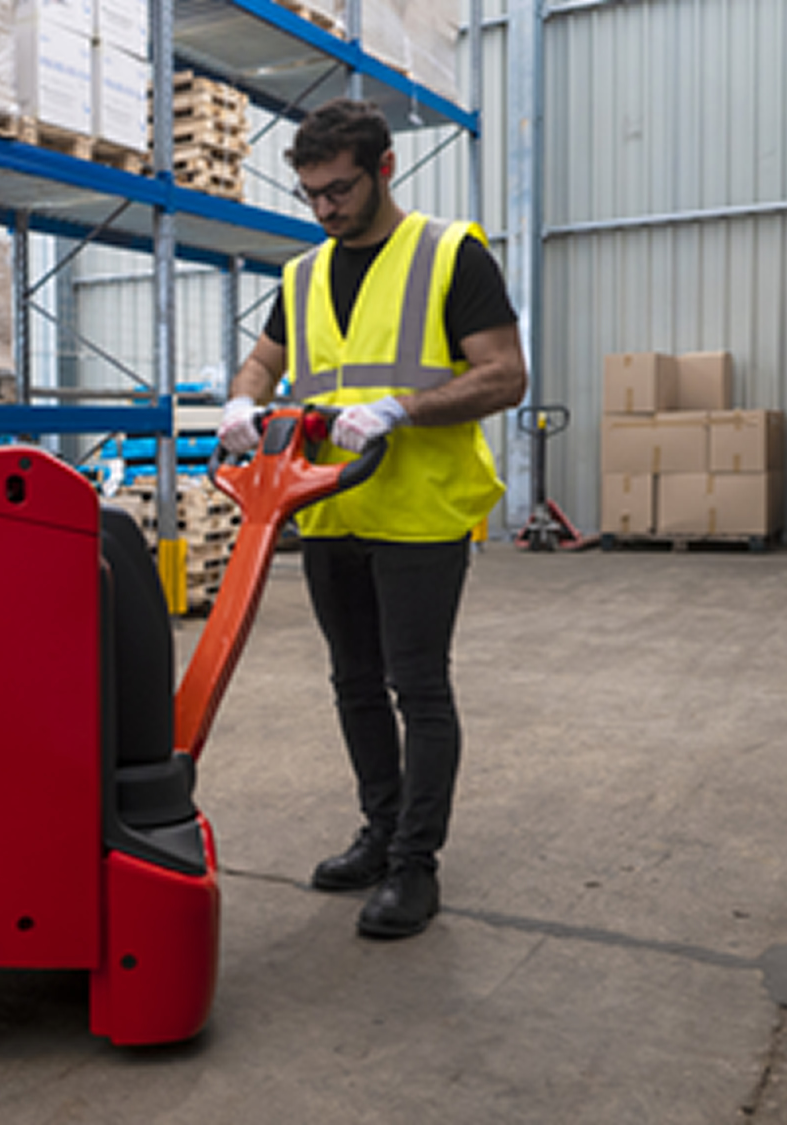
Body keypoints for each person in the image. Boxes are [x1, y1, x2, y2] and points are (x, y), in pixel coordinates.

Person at [217, 99, 526, 939]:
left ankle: (415, 865)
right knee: (353, 683)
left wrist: (402, 407)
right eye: (311, 193)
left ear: (384, 169)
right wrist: (243, 400)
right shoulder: (303, 274)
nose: (326, 208)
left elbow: (504, 376)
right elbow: (265, 357)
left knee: (416, 685)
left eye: (340, 189)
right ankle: (379, 831)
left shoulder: (449, 254)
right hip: (327, 509)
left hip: (420, 512)